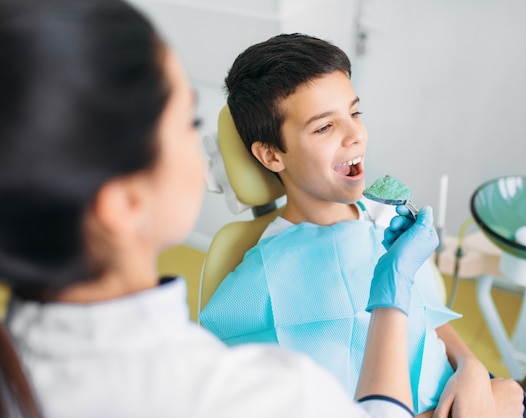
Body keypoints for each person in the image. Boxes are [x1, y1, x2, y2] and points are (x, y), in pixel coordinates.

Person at [0, 1, 441, 417]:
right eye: (188, 124)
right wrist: (392, 296)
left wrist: (478, 374)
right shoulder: (265, 392)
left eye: (355, 113)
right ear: (123, 202)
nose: (207, 157)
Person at [199, 33, 526, 418]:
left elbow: (426, 318)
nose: (355, 136)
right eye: (324, 128)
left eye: (354, 113)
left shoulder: (384, 219)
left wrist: (471, 369)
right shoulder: (257, 284)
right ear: (271, 155)